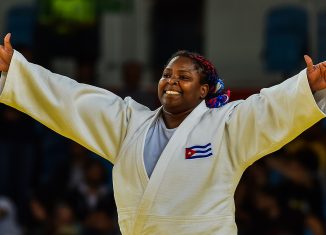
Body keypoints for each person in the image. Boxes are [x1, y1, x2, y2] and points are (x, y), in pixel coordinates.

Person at [0, 33, 325, 235]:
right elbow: (71, 100)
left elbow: (267, 109)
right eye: (167, 74)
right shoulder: (129, 123)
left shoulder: (225, 125)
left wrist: (306, 88)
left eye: (184, 77)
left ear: (203, 90)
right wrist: (17, 70)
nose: (171, 80)